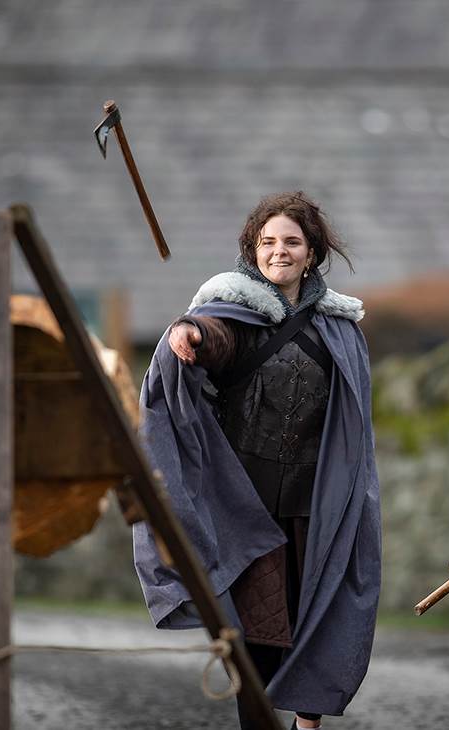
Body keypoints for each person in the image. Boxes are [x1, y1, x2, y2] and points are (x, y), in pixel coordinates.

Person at [134, 191, 380, 730]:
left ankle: (308, 724)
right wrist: (190, 331)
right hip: (249, 512)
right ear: (253, 249)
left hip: (317, 507)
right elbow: (217, 339)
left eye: (292, 241)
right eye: (268, 242)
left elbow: (353, 425)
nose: (280, 251)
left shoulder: (340, 328)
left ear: (311, 252)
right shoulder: (234, 312)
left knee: (323, 619)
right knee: (260, 638)